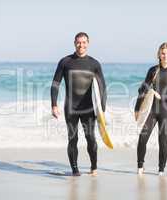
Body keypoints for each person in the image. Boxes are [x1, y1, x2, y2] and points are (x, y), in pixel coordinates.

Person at [50, 32, 106, 176]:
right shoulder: (65, 61)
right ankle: (75, 170)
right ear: (74, 43)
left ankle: (94, 167)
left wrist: (102, 110)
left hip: (88, 108)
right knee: (72, 138)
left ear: (88, 43)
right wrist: (54, 105)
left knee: (91, 138)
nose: (81, 45)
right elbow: (55, 83)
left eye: (84, 42)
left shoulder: (94, 63)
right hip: (71, 108)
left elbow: (102, 88)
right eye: (78, 42)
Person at [134, 42, 167, 176]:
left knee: (162, 141)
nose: (165, 55)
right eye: (163, 53)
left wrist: (163, 96)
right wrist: (137, 108)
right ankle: (140, 167)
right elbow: (143, 90)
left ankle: (161, 170)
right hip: (151, 110)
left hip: (166, 111)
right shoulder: (153, 70)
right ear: (159, 55)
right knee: (142, 138)